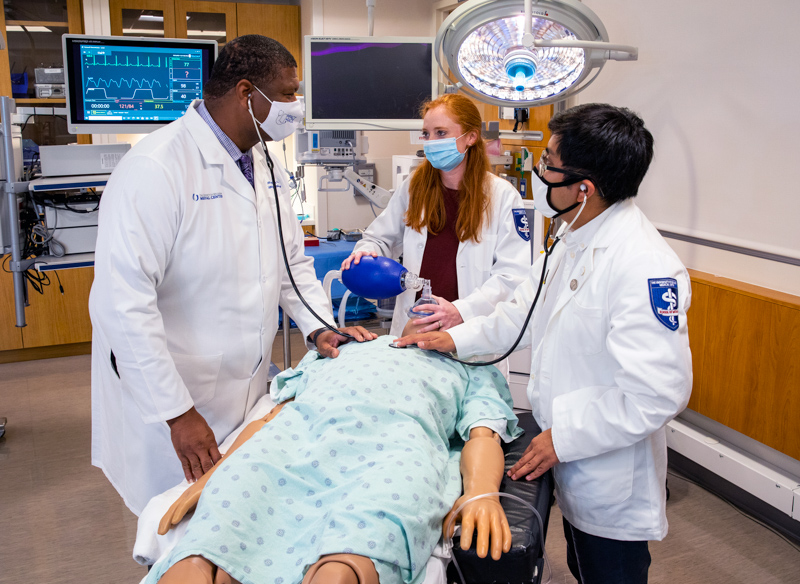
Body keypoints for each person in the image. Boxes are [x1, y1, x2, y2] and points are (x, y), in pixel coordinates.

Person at [395, 104, 693, 584]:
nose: (539, 172)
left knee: (609, 572)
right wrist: (449, 338)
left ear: (583, 187)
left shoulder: (643, 266)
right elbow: (518, 315)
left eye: (548, 163)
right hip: (569, 458)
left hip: (607, 474)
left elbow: (658, 393)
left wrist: (563, 438)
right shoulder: (572, 236)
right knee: (581, 565)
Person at [89, 35, 375, 516]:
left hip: (243, 393)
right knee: (170, 528)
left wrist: (321, 327)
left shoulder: (262, 160)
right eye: (288, 94)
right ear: (248, 93)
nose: (296, 106)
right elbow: (122, 303)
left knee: (232, 519)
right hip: (175, 402)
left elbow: (291, 264)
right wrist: (177, 413)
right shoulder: (156, 168)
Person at [143, 323, 521, 584]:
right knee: (221, 527)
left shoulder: (472, 369)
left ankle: (341, 566)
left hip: (396, 447)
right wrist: (217, 473)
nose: (427, 312)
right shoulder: (347, 348)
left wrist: (481, 492)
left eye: (441, 310)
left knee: (351, 554)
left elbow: (483, 434)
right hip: (301, 434)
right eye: (421, 308)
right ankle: (202, 561)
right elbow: (277, 413)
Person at [341, 94, 531, 365]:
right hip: (415, 327)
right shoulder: (414, 187)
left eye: (441, 133)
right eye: (426, 134)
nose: (431, 142)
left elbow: (512, 276)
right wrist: (367, 251)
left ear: (470, 137)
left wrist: (460, 310)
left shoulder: (502, 196)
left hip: (470, 334)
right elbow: (379, 237)